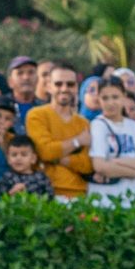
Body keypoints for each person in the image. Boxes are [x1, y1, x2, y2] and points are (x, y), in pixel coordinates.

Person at [25, 68, 94, 200]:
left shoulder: (84, 124)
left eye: (70, 84)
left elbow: (87, 165)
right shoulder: (36, 115)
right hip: (46, 192)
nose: (64, 89)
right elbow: (45, 151)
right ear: (48, 86)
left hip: (79, 194)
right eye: (58, 84)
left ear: (76, 88)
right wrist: (77, 141)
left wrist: (58, 158)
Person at [88, 77, 135, 206]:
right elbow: (100, 166)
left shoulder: (134, 126)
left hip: (134, 196)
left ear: (124, 97)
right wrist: (133, 172)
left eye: (115, 97)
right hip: (106, 198)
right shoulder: (98, 125)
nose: (110, 103)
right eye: (105, 98)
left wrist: (116, 161)